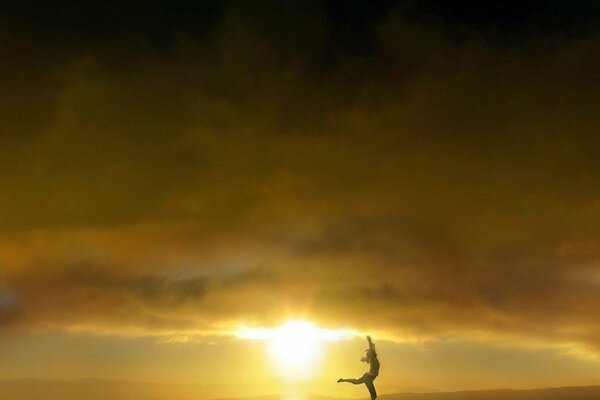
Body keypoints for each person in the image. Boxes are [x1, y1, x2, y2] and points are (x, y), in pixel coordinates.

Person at [337, 335, 380, 400]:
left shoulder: (374, 358)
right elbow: (371, 351)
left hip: (368, 377)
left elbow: (373, 351)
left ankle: (343, 380)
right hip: (368, 378)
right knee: (373, 396)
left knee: (356, 382)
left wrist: (372, 345)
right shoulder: (372, 359)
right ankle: (343, 380)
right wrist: (369, 342)